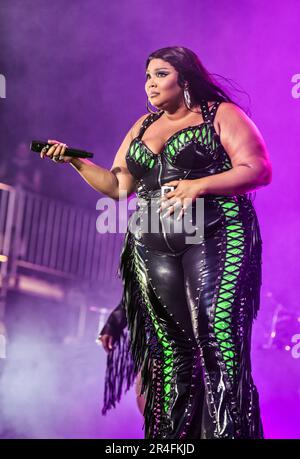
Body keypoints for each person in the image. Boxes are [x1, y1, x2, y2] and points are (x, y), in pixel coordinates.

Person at [40, 46, 272, 439]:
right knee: (169, 356)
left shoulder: (221, 114)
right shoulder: (143, 126)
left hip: (216, 233)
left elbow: (258, 169)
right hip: (152, 245)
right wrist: (74, 161)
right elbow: (117, 187)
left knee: (219, 345)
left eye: (160, 74)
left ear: (184, 79)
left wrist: (199, 185)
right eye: (147, 76)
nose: (150, 83)